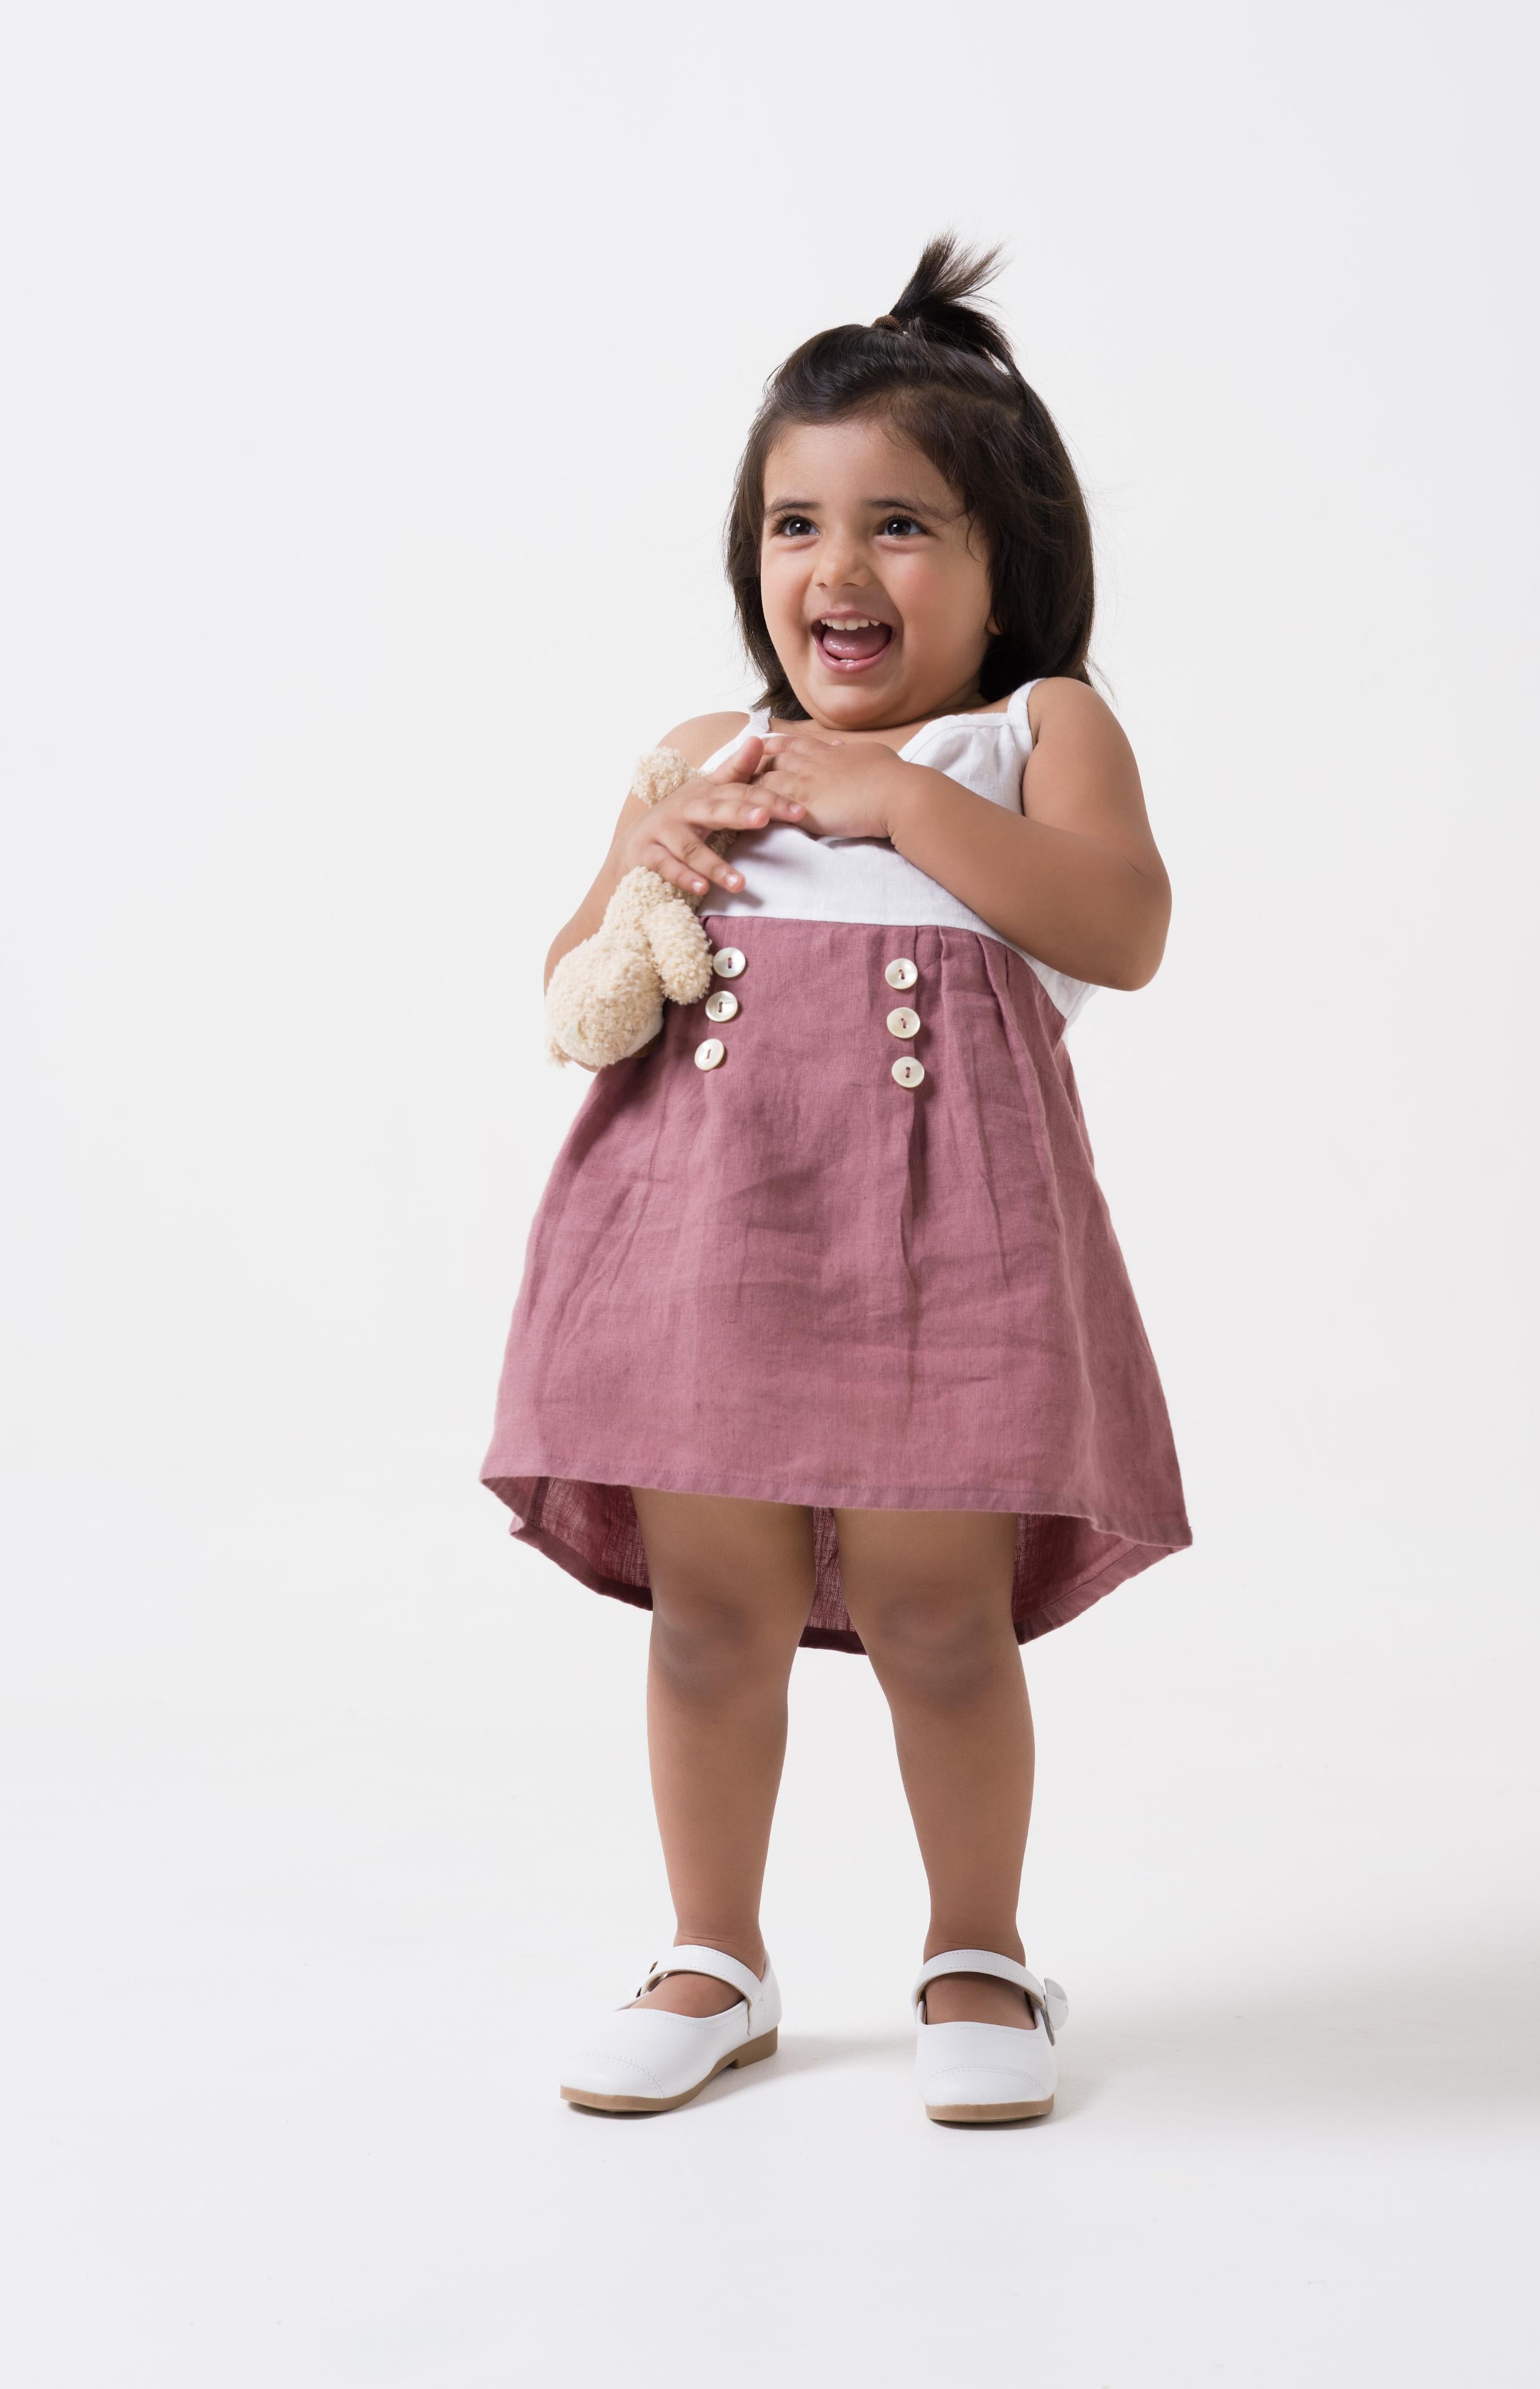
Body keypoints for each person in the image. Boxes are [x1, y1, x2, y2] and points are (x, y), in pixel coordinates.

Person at [481, 238, 1188, 2124]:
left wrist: (904, 801)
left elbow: (1122, 927)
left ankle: (979, 1947)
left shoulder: (1029, 734)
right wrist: (648, 846)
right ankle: (713, 1951)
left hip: (940, 1262)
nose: (839, 569)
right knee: (710, 1618)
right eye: (796, 526)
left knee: (938, 1622)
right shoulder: (707, 752)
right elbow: (575, 991)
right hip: (703, 1251)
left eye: (901, 526)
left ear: (1003, 565)